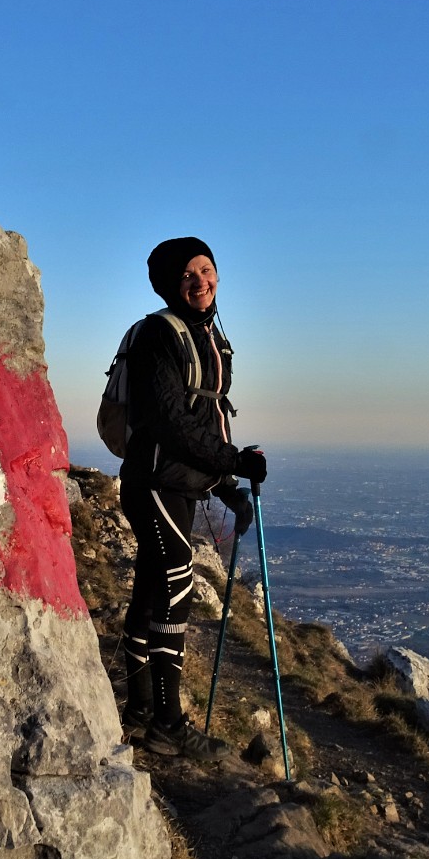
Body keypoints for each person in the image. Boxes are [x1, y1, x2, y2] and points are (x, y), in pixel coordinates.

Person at [118, 236, 267, 761]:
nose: (199, 281)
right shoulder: (160, 336)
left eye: (206, 269)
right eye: (186, 275)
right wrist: (236, 465)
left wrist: (228, 489)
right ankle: (167, 724)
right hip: (155, 484)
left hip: (178, 483)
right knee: (173, 590)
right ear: (168, 285)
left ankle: (138, 713)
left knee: (150, 592)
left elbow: (203, 424)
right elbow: (169, 425)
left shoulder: (209, 338)